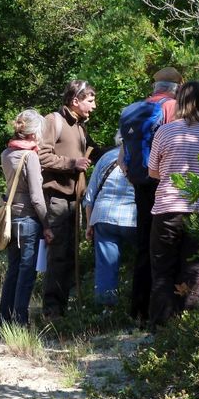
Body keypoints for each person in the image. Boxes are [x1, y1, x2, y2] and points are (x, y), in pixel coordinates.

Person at [147, 81, 199, 330]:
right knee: (193, 269)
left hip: (168, 208)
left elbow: (153, 171)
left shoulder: (165, 132)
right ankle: (189, 326)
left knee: (162, 269)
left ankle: (160, 326)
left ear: (179, 103)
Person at [119, 67, 183, 328]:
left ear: (155, 86)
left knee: (144, 245)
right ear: (176, 88)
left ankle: (138, 310)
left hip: (140, 184)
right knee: (167, 248)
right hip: (164, 185)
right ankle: (166, 313)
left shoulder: (131, 110)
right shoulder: (173, 108)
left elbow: (122, 156)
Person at [38, 80, 100, 319]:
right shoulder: (54, 121)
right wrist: (72, 164)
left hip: (75, 199)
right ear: (75, 101)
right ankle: (52, 311)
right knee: (59, 254)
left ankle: (63, 308)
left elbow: (96, 150)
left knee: (71, 253)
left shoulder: (81, 126)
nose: (94, 106)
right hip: (57, 198)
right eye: (90, 101)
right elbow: (42, 156)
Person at [0, 110, 54, 326]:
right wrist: (47, 224)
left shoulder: (7, 153)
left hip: (11, 218)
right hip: (29, 219)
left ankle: (5, 318)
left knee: (13, 270)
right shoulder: (29, 156)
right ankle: (20, 320)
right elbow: (37, 197)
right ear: (33, 133)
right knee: (27, 272)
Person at [83, 131, 137, 310]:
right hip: (133, 216)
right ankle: (138, 304)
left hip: (103, 216)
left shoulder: (106, 157)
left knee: (106, 265)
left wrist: (89, 224)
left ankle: (107, 309)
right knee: (144, 258)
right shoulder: (142, 155)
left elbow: (90, 195)